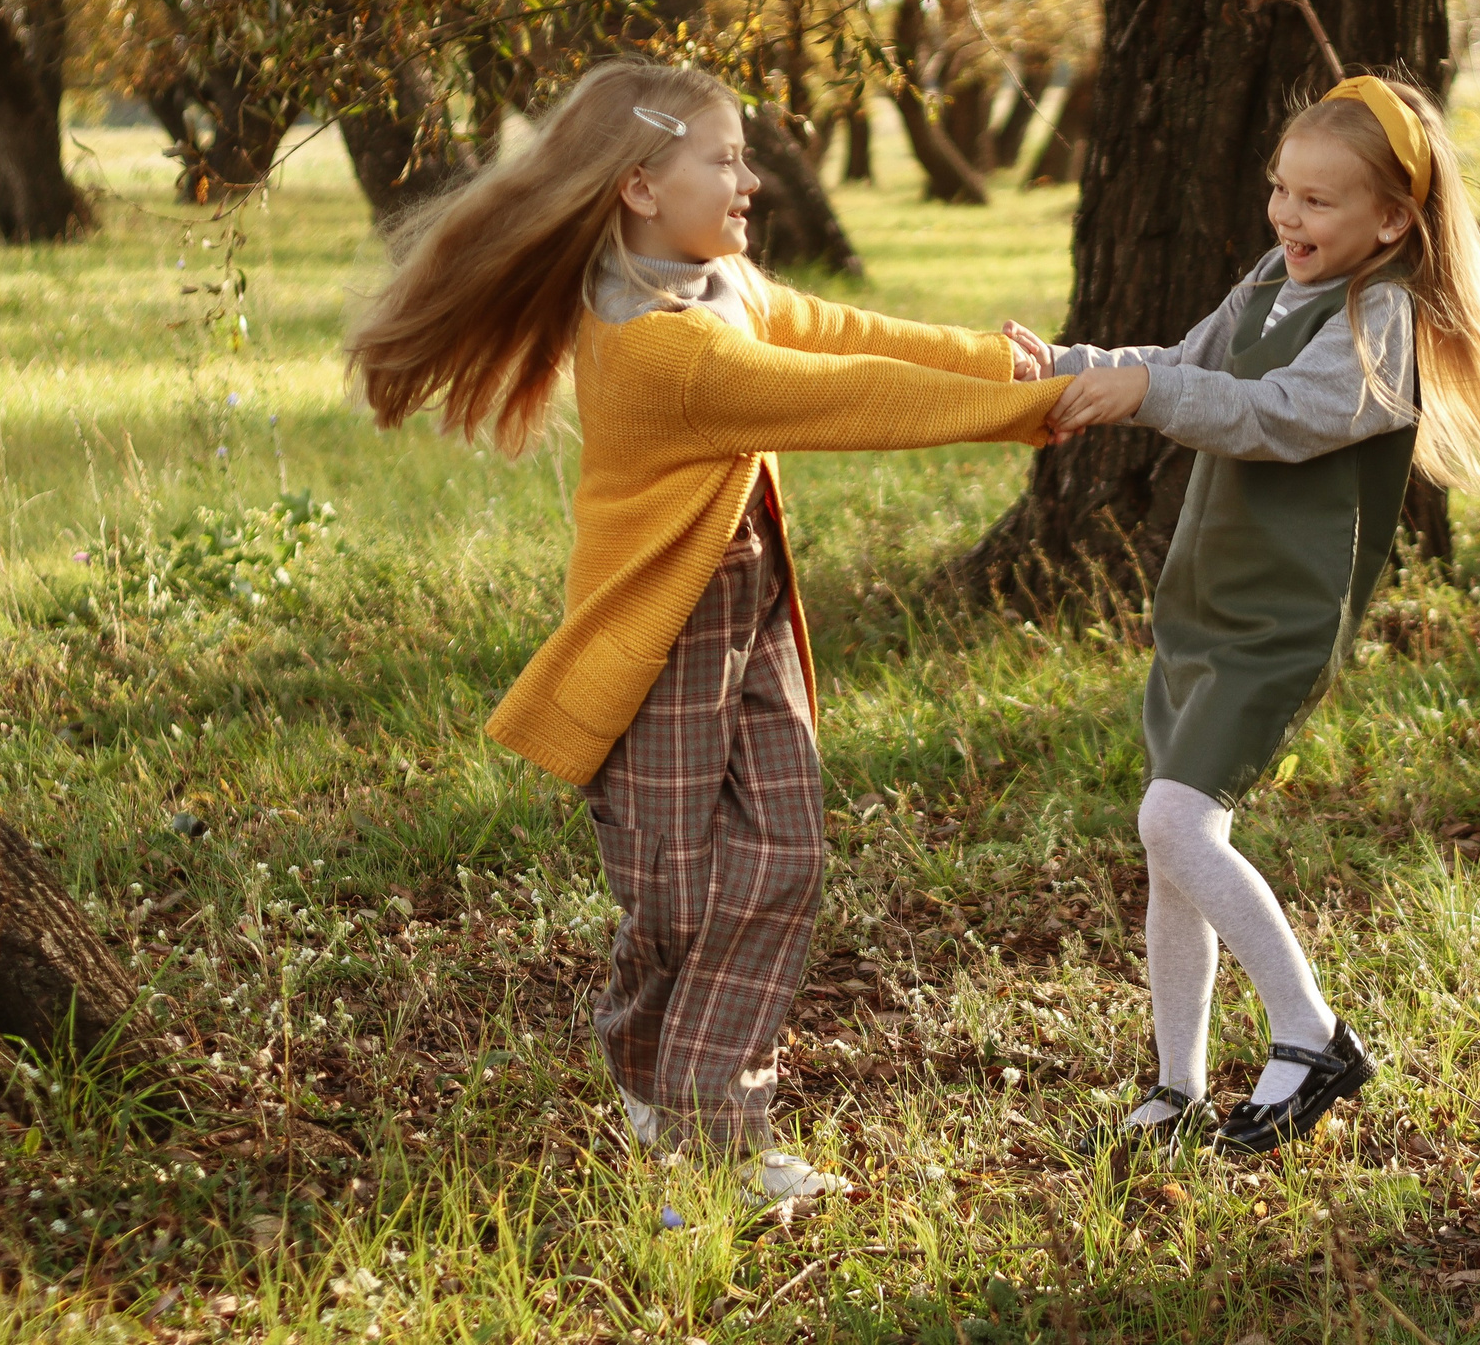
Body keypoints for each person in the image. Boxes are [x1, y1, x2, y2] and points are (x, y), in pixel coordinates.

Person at [348, 60, 1067, 1198]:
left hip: (751, 604)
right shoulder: (661, 350)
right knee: (672, 896)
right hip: (660, 634)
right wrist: (1037, 405)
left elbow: (834, 329)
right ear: (638, 187)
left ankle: (710, 1125)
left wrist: (1003, 360)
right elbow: (849, 400)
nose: (751, 178)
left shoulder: (713, 279)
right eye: (724, 159)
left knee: (784, 853)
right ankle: (652, 1076)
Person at [1015, 74, 1480, 1156]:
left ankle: (1311, 1036)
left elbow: (1272, 419)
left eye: (1319, 201)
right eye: (1281, 190)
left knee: (1175, 823)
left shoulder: (1381, 322)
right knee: (1172, 849)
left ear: (1391, 219)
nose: (1288, 215)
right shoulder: (1265, 281)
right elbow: (1185, 368)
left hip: (1278, 621)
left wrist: (1147, 398)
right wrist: (1073, 369)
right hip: (1199, 604)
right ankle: (1175, 1086)